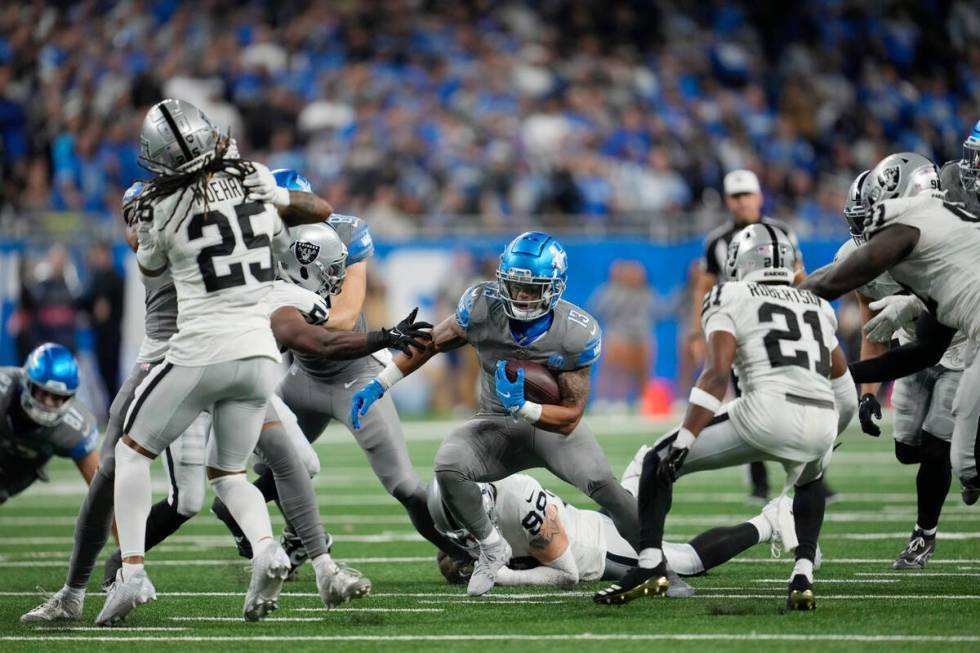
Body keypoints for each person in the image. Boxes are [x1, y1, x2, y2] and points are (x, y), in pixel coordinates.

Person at [93, 98, 325, 626]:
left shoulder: (161, 205)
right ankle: (266, 548)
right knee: (230, 473)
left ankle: (131, 573)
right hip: (258, 356)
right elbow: (294, 220)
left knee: (131, 454)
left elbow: (150, 263)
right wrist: (265, 185)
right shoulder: (252, 181)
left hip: (200, 351)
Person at [350, 231, 640, 597]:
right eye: (515, 285)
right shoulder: (483, 305)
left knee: (605, 486)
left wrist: (526, 407)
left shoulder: (575, 332)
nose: (520, 295)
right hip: (496, 423)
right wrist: (380, 383)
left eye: (531, 288)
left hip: (550, 429)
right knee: (448, 466)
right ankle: (491, 547)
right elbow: (431, 343)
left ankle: (653, 563)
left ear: (554, 287)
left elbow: (570, 415)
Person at [214, 179, 473, 575]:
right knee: (254, 483)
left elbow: (347, 317)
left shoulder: (339, 234)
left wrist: (289, 321)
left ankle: (468, 550)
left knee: (403, 485)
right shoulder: (258, 246)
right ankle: (300, 539)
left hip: (355, 376)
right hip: (303, 377)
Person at [595, 224, 857, 611]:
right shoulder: (816, 303)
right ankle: (802, 573)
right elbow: (845, 391)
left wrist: (686, 438)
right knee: (810, 480)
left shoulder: (728, 293)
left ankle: (650, 563)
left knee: (656, 460)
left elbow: (716, 375)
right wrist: (830, 434)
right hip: (821, 416)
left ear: (739, 261)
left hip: (764, 412)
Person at [801, 152, 980, 506]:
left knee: (964, 460)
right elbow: (922, 352)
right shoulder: (944, 245)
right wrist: (850, 377)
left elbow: (836, 280)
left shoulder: (917, 227)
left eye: (876, 209)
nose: (869, 226)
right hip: (962, 339)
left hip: (968, 347)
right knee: (958, 461)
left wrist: (783, 297)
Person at [833, 170, 966, 569]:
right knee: (908, 449)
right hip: (911, 350)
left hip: (962, 349)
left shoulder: (939, 244)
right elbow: (873, 328)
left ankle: (923, 535)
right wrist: (869, 394)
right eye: (859, 221)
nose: (865, 231)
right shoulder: (855, 257)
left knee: (937, 446)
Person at [427, 465, 796, 590]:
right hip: (584, 523)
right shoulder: (468, 501)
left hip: (597, 548)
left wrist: (503, 575)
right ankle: (643, 472)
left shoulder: (520, 499)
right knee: (635, 498)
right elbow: (465, 544)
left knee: (683, 562)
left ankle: (768, 521)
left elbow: (568, 575)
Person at [691, 169, 804, 504]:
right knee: (746, 402)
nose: (741, 203)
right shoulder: (717, 241)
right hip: (741, 330)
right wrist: (698, 331)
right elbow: (704, 287)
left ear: (759, 196)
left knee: (793, 397)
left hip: (779, 328)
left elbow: (800, 275)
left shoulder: (781, 232)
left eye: (746, 195)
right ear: (728, 201)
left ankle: (807, 475)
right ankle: (759, 482)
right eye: (735, 197)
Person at [0, 343, 99, 505]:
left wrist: (128, 531)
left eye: (56, 397)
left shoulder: (74, 428)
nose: (47, 403)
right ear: (26, 383)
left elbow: (104, 493)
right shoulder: (3, 388)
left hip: (19, 467)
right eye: (42, 392)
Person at [80, 242, 125, 400]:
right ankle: (112, 410)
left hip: (110, 336)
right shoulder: (98, 277)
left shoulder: (110, 278)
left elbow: (101, 311)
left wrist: (90, 317)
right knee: (106, 376)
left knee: (110, 375)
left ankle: (114, 411)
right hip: (102, 335)